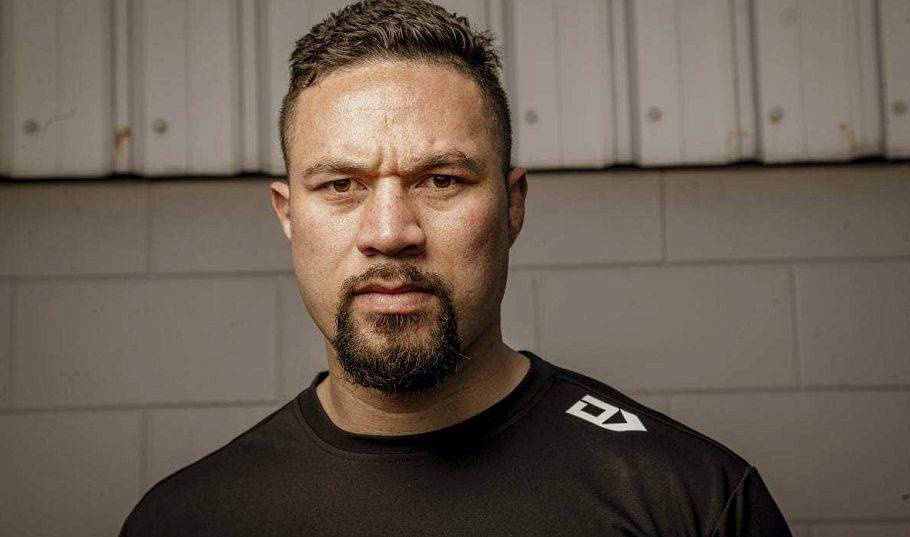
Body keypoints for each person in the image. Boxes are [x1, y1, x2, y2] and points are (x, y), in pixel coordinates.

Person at [120, 1, 793, 535]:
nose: (390, 233)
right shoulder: (187, 519)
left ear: (512, 205)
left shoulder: (690, 501)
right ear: (288, 215)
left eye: (441, 180)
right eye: (341, 185)